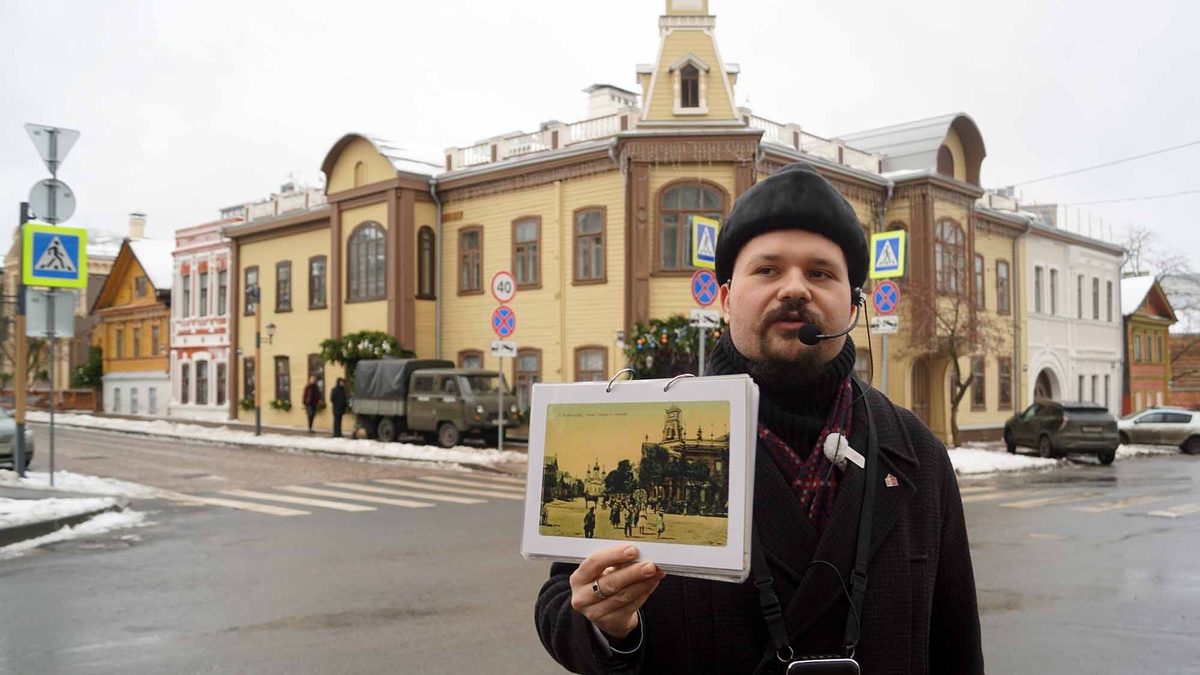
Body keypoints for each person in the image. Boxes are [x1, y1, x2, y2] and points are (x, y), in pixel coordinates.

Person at [534, 162, 984, 673]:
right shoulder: (648, 422)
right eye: (767, 270)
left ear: (853, 306)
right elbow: (560, 604)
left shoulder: (917, 453)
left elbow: (957, 646)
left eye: (820, 273)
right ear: (726, 300)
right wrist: (608, 627)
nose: (795, 289)